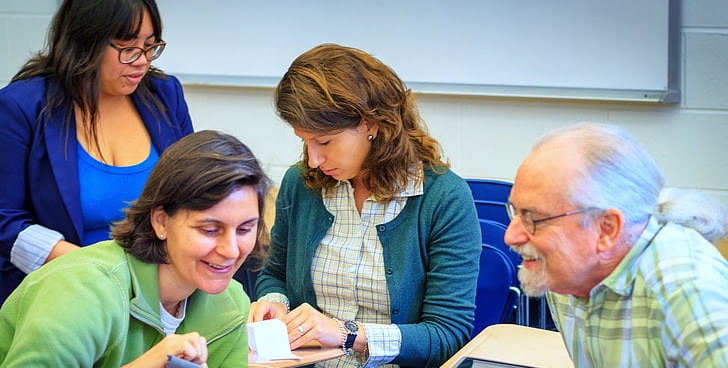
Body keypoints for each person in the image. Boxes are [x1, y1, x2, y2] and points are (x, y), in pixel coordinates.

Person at [249, 43, 481, 367]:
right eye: (305, 141)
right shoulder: (300, 185)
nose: (314, 160)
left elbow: (447, 335)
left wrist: (349, 335)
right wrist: (274, 303)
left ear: (371, 124)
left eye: (325, 141)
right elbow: (274, 274)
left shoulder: (443, 198)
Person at [0, 130, 271, 367]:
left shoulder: (231, 304)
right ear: (161, 221)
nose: (231, 251)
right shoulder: (84, 289)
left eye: (245, 229)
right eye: (209, 230)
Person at [0, 0, 194, 304]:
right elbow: (4, 219)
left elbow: (194, 190)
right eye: (128, 48)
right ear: (85, 42)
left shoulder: (164, 94)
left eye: (151, 46)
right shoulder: (22, 107)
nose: (143, 60)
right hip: (63, 293)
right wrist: (96, 272)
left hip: (157, 293)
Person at [504, 122, 728, 366]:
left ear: (606, 229)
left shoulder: (689, 293)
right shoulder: (566, 273)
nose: (510, 236)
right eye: (515, 212)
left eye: (533, 218)